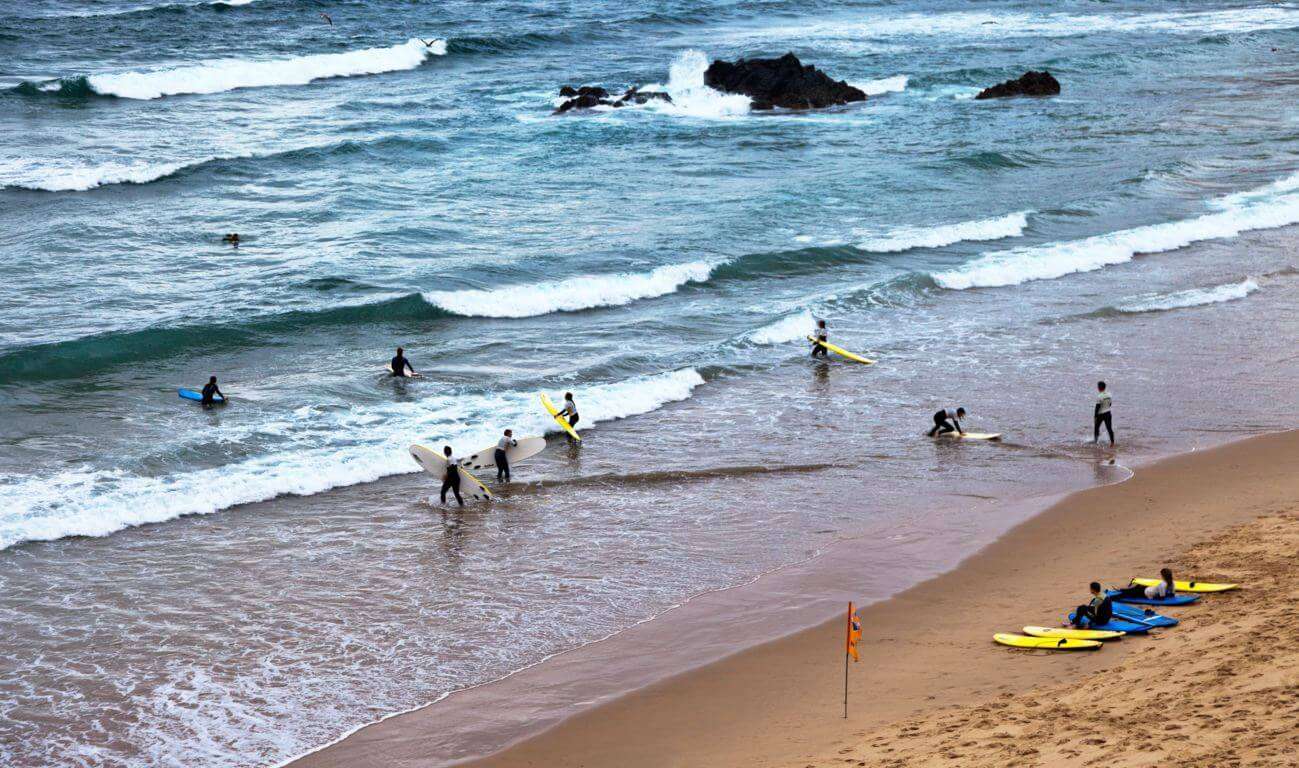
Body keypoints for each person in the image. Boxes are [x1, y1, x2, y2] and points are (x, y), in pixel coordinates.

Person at [1094, 381, 1114, 445]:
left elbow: (1097, 407)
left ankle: (1096, 442)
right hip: (1108, 413)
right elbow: (1110, 404)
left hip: (1100, 414)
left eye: (1098, 386)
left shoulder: (1099, 396)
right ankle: (1112, 443)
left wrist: (1095, 416)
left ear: (1099, 387)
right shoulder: (1109, 394)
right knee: (1109, 428)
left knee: (1096, 428)